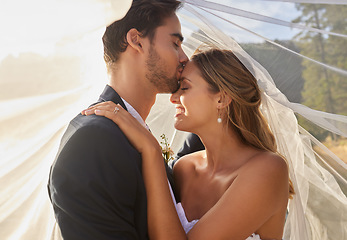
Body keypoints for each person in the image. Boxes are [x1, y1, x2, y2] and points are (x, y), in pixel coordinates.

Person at [82, 47, 295, 240]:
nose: (173, 98)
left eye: (184, 87)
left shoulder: (268, 170)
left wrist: (151, 151)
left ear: (221, 99)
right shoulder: (183, 168)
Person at [48, 0, 188, 239]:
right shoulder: (93, 140)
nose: (185, 58)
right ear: (136, 40)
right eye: (175, 43)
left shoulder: (131, 132)